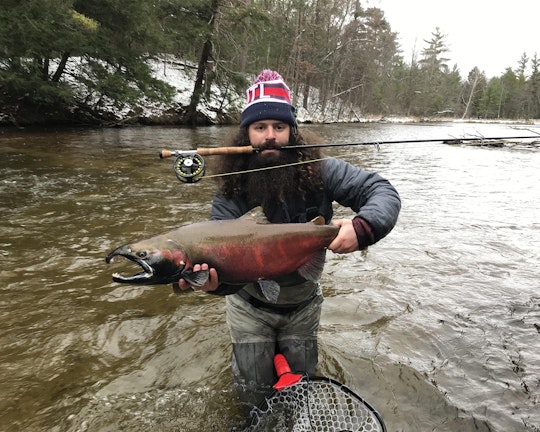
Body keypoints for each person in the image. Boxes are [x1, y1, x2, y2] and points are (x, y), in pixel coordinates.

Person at [177, 69, 401, 405]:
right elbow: (223, 270)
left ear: (292, 132)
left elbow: (380, 191)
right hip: (248, 307)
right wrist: (212, 285)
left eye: (279, 127)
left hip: (303, 305)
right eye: (260, 127)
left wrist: (363, 227)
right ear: (246, 135)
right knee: (251, 397)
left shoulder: (323, 170)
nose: (270, 136)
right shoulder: (231, 193)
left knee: (300, 393)